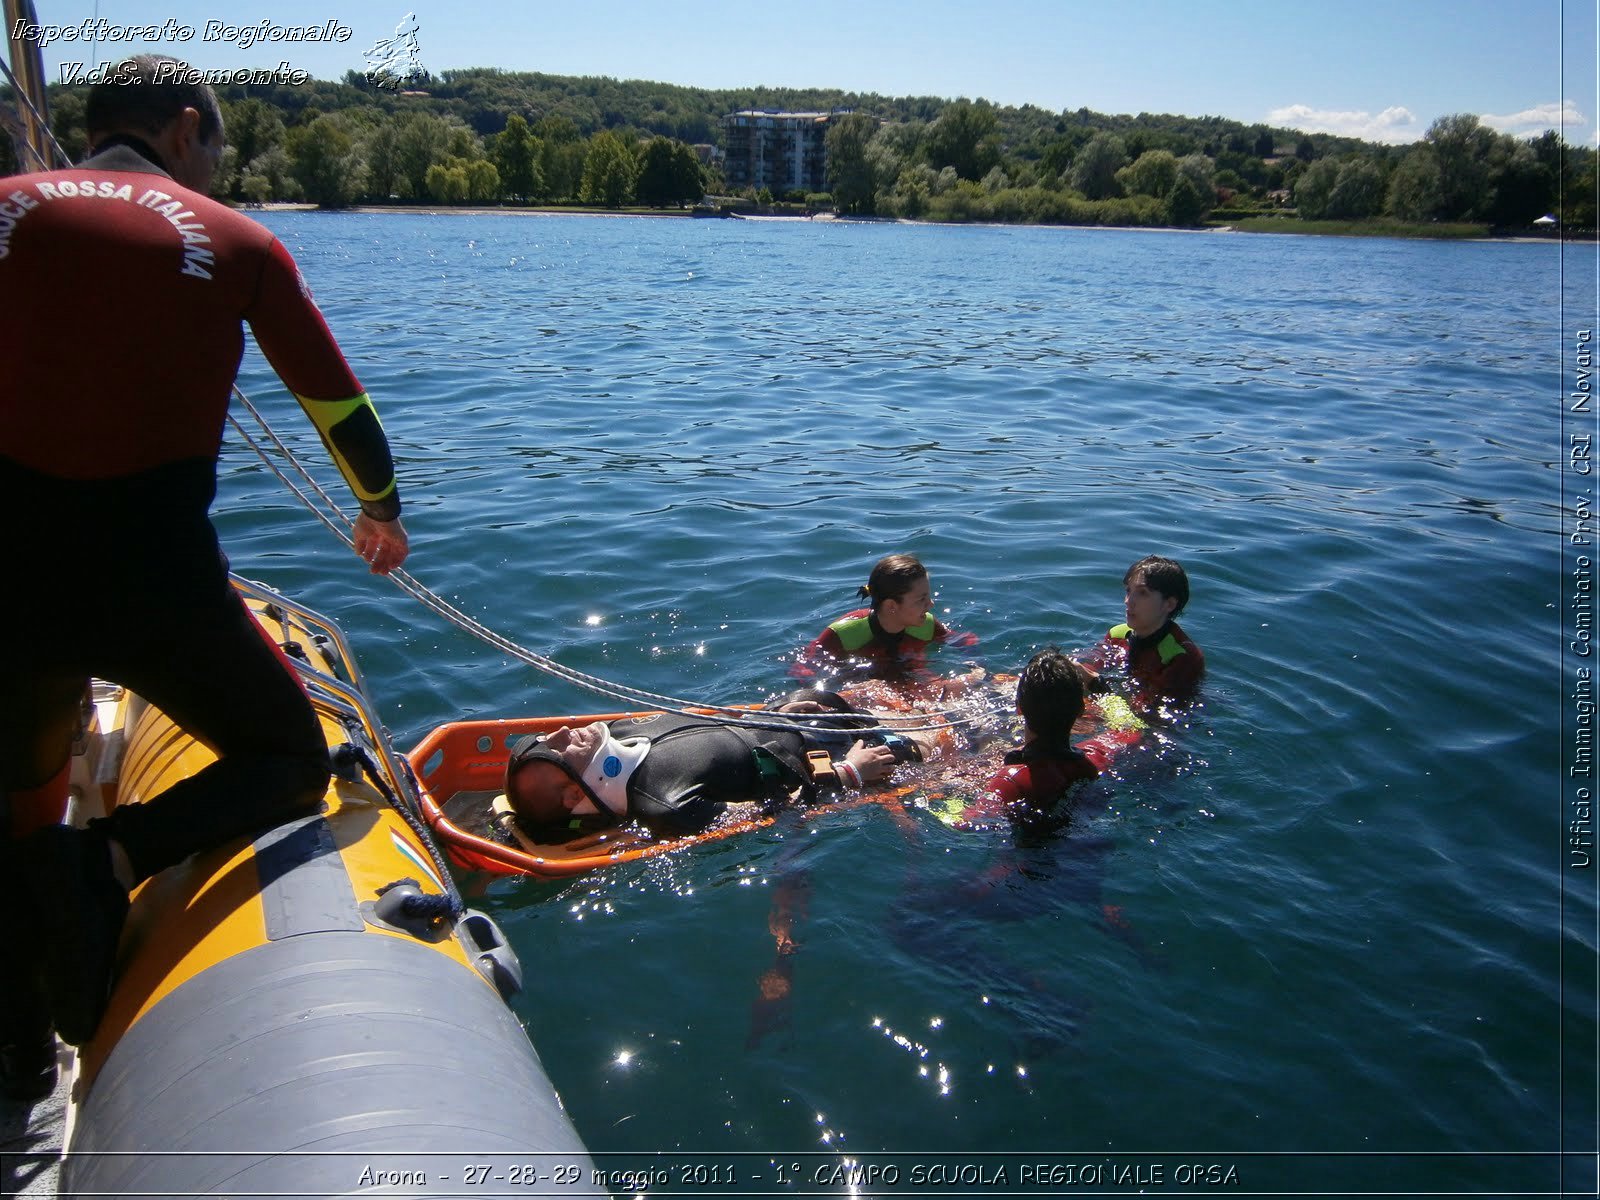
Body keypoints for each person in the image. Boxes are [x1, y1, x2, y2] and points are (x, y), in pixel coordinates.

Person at [0, 56, 410, 1086]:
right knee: (285, 759)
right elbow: (340, 409)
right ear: (188, 132)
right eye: (220, 148)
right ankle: (104, 861)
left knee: (25, 780)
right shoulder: (236, 242)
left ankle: (15, 1048)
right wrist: (380, 512)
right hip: (155, 583)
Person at [498, 692, 916, 840]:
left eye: (546, 737)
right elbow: (770, 813)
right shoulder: (664, 805)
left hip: (780, 721)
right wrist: (849, 773)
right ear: (575, 794)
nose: (563, 731)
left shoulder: (617, 731)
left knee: (867, 695)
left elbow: (705, 729)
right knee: (938, 742)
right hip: (813, 760)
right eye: (556, 749)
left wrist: (778, 711)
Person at [942, 648, 1121, 829]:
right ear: (1082, 710)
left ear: (1018, 707)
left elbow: (961, 824)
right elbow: (1129, 728)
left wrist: (951, 796)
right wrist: (1097, 683)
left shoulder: (1010, 780)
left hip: (1024, 855)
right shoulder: (1094, 758)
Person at [789, 553, 979, 687]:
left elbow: (965, 640)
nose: (930, 604)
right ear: (891, 606)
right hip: (862, 690)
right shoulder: (843, 634)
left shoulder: (927, 625)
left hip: (913, 681)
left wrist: (976, 667)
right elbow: (802, 669)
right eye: (921, 599)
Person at [1082, 555, 1205, 712]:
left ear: (1169, 604)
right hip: (1118, 705)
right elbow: (1092, 666)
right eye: (1128, 590)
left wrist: (1095, 684)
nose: (1128, 601)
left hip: (1163, 727)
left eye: (1142, 593)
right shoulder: (1117, 635)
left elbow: (1146, 715)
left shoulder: (1182, 656)